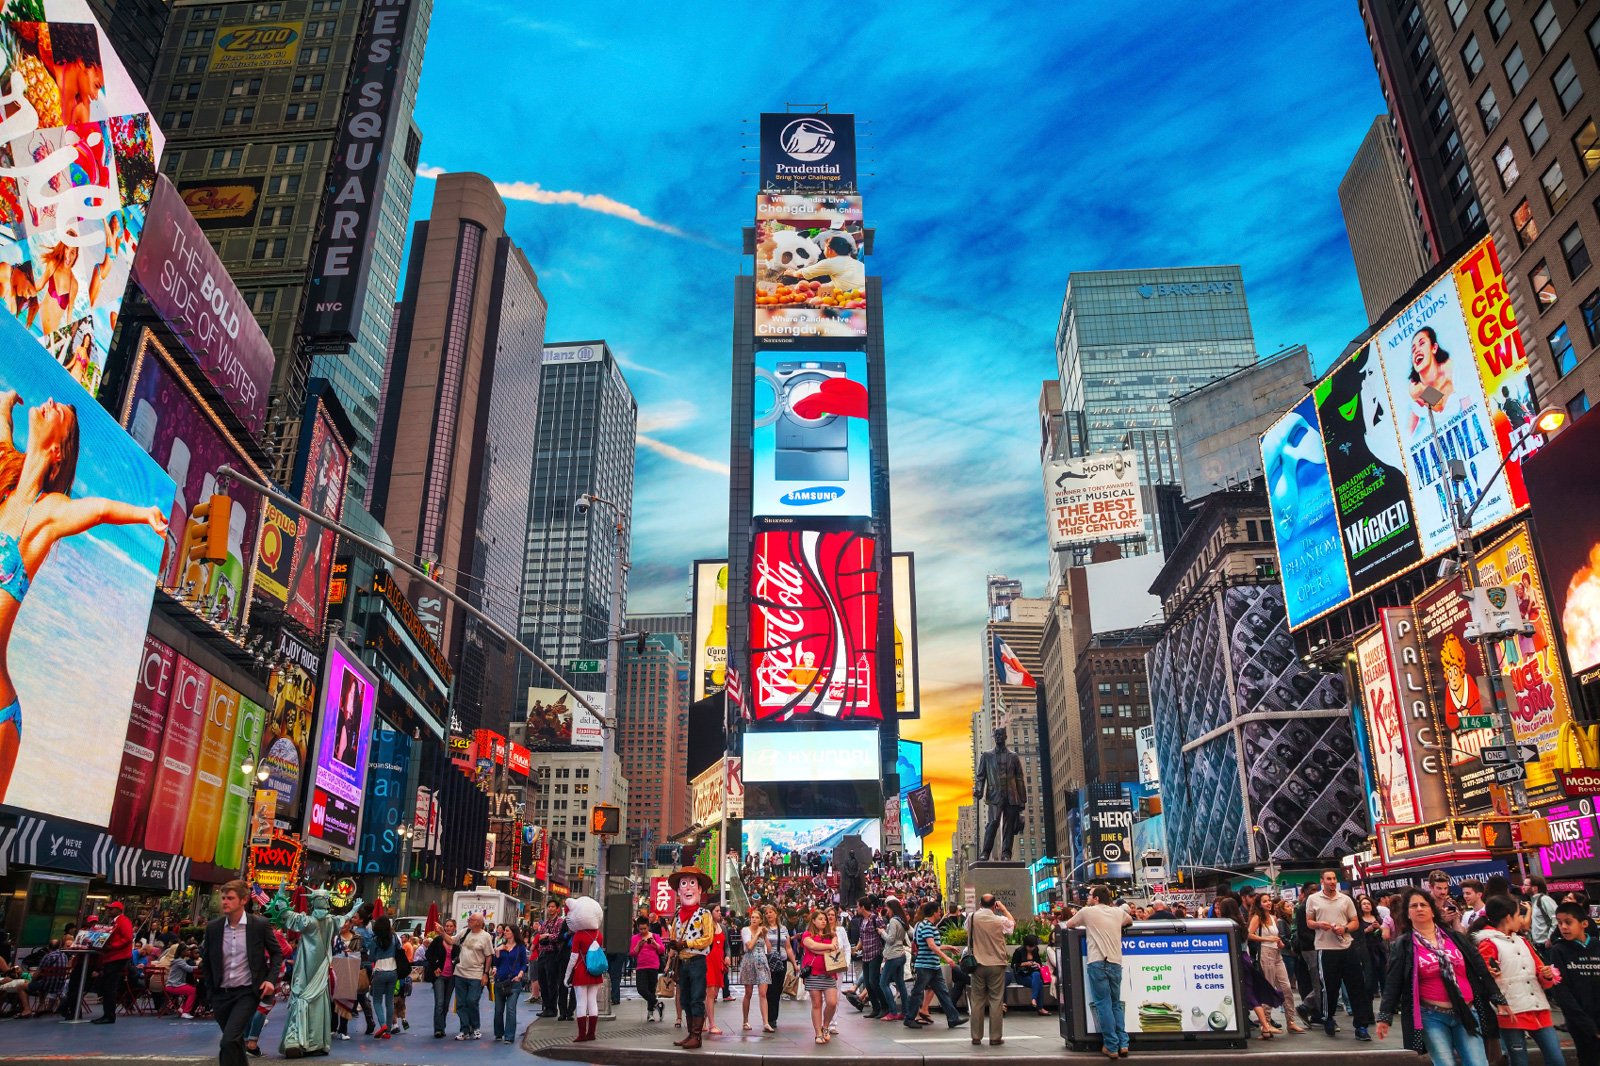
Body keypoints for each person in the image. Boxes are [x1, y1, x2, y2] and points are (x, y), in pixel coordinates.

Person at [0, 393, 167, 800]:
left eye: (63, 415)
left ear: (58, 451)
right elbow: (2, 432)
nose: (52, 400)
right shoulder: (4, 486)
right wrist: (5, 405)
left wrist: (143, 513)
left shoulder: (50, 511)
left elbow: (98, 509)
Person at [1377, 888, 1509, 1066]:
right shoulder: (1403, 944)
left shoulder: (1455, 938)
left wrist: (1497, 997)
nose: (1419, 908)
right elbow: (1393, 982)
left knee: (1478, 1063)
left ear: (1432, 910)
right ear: (1407, 914)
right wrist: (1384, 1016)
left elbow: (1480, 968)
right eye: (1413, 906)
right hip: (1431, 1017)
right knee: (1445, 1063)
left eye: (1423, 904)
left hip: (1466, 1012)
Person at [1471, 895, 1563, 1066]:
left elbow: (1540, 971)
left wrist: (1547, 975)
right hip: (1511, 1012)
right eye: (1519, 915)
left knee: (1556, 1058)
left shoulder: (1522, 941)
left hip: (1538, 1008)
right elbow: (1485, 980)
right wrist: (1490, 973)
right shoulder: (1488, 944)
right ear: (1508, 917)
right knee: (1519, 1061)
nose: (1522, 920)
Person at [203, 881, 284, 1066]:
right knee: (235, 1041)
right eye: (223, 898)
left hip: (246, 993)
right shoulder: (213, 927)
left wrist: (271, 980)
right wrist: (210, 991)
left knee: (228, 1040)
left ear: (244, 900)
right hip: (220, 994)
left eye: (230, 898)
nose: (225, 902)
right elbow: (206, 959)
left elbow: (277, 953)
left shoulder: (259, 925)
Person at [1067, 885, 1131, 1059]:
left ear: (1095, 899)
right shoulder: (1118, 912)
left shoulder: (1088, 912)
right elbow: (1129, 920)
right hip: (1115, 963)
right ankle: (1123, 1043)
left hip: (1097, 962)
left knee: (1103, 1004)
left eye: (1089, 895)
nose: (1087, 897)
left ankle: (1111, 1046)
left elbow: (1069, 924)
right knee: (1116, 1003)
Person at [1308, 869, 1372, 1040]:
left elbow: (1355, 922)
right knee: (1329, 988)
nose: (1332, 881)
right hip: (1325, 948)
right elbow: (1309, 922)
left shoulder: (1345, 899)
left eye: (1334, 878)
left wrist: (1344, 929)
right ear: (1322, 880)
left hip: (1347, 946)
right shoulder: (1313, 899)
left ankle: (1361, 1026)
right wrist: (1319, 924)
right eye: (1328, 878)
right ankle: (1328, 1018)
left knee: (1357, 986)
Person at [1219, 896, 1284, 1038]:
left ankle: (1265, 1026)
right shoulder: (1240, 923)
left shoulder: (1227, 924)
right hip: (1244, 958)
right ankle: (1265, 1027)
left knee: (1249, 994)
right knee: (1250, 991)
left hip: (1236, 960)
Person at [668, 865, 716, 1050]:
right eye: (684, 884)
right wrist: (673, 944)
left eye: (692, 883)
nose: (688, 888)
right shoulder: (678, 914)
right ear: (679, 889)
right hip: (682, 962)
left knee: (697, 998)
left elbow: (707, 938)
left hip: (697, 961)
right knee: (685, 999)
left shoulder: (704, 914)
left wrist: (686, 944)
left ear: (699, 889)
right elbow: (674, 934)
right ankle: (690, 1034)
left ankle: (697, 1035)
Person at [1548, 902, 1600, 1066]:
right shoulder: (1558, 950)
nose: (1563, 927)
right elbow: (1562, 991)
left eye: (1568, 922)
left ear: (1584, 923)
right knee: (1588, 1059)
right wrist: (1587, 1024)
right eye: (1559, 922)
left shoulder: (1597, 945)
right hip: (1579, 1021)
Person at [904, 900, 965, 1031]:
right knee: (918, 992)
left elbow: (931, 945)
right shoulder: (926, 926)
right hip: (925, 965)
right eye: (938, 911)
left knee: (942, 992)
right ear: (933, 912)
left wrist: (947, 947)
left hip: (932, 965)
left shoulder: (928, 926)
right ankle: (909, 1019)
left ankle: (953, 1018)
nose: (940, 913)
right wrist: (947, 958)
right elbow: (931, 945)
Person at [1250, 893, 1305, 1032]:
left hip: (1277, 954)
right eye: (1264, 901)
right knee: (1268, 987)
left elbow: (1276, 936)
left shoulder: (1273, 918)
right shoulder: (1258, 918)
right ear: (1259, 904)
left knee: (1286, 987)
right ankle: (1266, 1024)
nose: (1268, 903)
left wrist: (1279, 942)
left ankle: (1291, 1021)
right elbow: (1249, 934)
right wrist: (1268, 940)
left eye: (1269, 901)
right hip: (1265, 954)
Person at [969, 894, 1015, 1047]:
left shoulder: (972, 917)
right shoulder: (999, 920)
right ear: (994, 905)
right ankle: (995, 1037)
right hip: (996, 963)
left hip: (977, 963)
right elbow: (1012, 926)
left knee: (977, 1000)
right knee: (996, 1000)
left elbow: (967, 929)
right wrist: (1004, 909)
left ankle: (976, 1036)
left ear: (980, 904)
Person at [799, 909, 840, 1044]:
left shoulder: (832, 934)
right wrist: (827, 948)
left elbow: (834, 947)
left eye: (825, 919)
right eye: (821, 919)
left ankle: (826, 1026)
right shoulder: (807, 934)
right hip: (813, 973)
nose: (824, 921)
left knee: (832, 1003)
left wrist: (820, 948)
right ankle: (818, 1033)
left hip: (829, 973)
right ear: (814, 921)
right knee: (816, 1004)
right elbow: (811, 945)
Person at [449, 913, 494, 1041]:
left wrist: (485, 974)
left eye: (472, 919)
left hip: (476, 974)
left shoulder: (485, 937)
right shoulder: (464, 932)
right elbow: (452, 940)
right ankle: (464, 1029)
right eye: (469, 919)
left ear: (479, 923)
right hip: (460, 973)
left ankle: (475, 1027)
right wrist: (442, 932)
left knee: (472, 1001)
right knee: (461, 1004)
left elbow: (489, 955)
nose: (469, 920)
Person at [89, 900, 134, 1023]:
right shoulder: (115, 922)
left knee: (110, 986)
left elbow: (128, 938)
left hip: (117, 957)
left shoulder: (123, 921)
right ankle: (107, 1014)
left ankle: (109, 1015)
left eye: (111, 909)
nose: (108, 910)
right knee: (108, 986)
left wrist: (111, 946)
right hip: (112, 956)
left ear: (119, 910)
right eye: (108, 908)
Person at [1294, 882, 1325, 1026]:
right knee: (1318, 982)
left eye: (1316, 890)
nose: (1315, 892)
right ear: (1305, 892)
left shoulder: (1317, 906)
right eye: (1312, 890)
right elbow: (1303, 933)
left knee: (1323, 982)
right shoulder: (1302, 909)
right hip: (1310, 949)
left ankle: (1308, 1007)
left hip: (1320, 947)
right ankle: (1317, 1013)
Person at [368, 916, 404, 1039]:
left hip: (380, 972)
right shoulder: (394, 938)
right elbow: (400, 949)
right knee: (389, 1001)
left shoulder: (375, 941)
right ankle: (388, 1030)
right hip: (393, 972)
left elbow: (371, 957)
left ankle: (382, 1024)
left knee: (377, 1000)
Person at [492, 924, 528, 1044]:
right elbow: (496, 962)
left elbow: (524, 963)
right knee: (498, 1010)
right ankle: (498, 1033)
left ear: (513, 932)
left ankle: (509, 1036)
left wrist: (520, 974)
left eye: (507, 930)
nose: (504, 932)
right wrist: (497, 951)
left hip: (514, 982)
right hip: (500, 981)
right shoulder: (500, 946)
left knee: (511, 1009)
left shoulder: (520, 948)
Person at [738, 907, 772, 1033]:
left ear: (761, 920)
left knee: (763, 993)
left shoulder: (762, 932)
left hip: (762, 961)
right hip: (749, 961)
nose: (754, 919)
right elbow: (750, 946)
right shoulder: (746, 930)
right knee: (748, 992)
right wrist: (757, 934)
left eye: (757, 917)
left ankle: (766, 1022)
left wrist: (765, 936)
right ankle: (745, 1020)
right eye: (752, 917)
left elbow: (769, 949)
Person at [877, 896, 910, 1023]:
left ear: (891, 908)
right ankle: (905, 1011)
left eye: (887, 908)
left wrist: (881, 932)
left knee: (883, 983)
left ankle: (892, 1011)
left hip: (893, 956)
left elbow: (890, 939)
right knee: (900, 984)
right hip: (901, 954)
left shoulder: (893, 922)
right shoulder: (902, 921)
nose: (886, 910)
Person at [423, 920, 458, 1039]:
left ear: (455, 928)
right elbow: (428, 955)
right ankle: (438, 1029)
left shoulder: (456, 942)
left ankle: (442, 1026)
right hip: (439, 975)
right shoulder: (438, 940)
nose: (448, 928)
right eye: (447, 926)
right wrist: (434, 967)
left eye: (451, 926)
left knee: (446, 1003)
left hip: (452, 976)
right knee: (439, 1002)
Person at [852, 897, 885, 1019]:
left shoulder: (875, 918)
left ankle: (884, 1006)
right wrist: (856, 949)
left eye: (857, 906)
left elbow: (884, 933)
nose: (857, 909)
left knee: (873, 981)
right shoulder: (862, 920)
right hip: (865, 954)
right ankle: (875, 1008)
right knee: (868, 983)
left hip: (875, 953)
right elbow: (862, 938)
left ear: (862, 907)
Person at [760, 904, 792, 1029]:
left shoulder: (783, 928)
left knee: (778, 989)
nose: (768, 914)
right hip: (768, 961)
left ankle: (774, 1016)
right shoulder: (763, 929)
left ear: (776, 913)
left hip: (781, 960)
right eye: (766, 913)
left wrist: (794, 963)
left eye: (770, 912)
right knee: (770, 990)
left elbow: (788, 947)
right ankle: (770, 1018)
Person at [534, 901, 567, 1020]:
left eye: (553, 907)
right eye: (549, 907)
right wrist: (542, 937)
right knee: (542, 981)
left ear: (558, 909)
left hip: (553, 953)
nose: (550, 909)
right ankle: (546, 1007)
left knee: (551, 981)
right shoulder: (545, 922)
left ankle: (552, 1008)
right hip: (543, 953)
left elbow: (559, 936)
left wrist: (547, 936)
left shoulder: (560, 922)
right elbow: (539, 936)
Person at [631, 917, 666, 1023]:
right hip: (641, 966)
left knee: (651, 989)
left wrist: (654, 944)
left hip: (653, 966)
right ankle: (657, 1004)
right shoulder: (635, 938)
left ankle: (650, 1013)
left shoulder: (655, 936)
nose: (642, 931)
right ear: (638, 928)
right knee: (641, 989)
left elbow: (662, 950)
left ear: (648, 927)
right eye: (640, 929)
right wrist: (638, 945)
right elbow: (633, 953)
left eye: (644, 929)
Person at [703, 904, 726, 1036]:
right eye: (716, 911)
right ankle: (712, 1024)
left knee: (714, 993)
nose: (719, 913)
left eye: (719, 911)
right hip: (708, 961)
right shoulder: (707, 927)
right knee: (710, 992)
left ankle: (703, 1021)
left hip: (718, 962)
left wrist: (726, 957)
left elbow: (725, 945)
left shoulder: (721, 927)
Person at [165, 946, 200, 1017]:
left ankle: (182, 1008)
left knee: (190, 989)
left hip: (176, 984)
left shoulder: (180, 960)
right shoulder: (179, 961)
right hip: (173, 985)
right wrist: (200, 967)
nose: (189, 952)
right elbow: (189, 969)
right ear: (182, 952)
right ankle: (186, 1012)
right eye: (187, 951)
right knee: (193, 991)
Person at [1525, 877, 1558, 952]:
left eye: (1526, 885)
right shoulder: (1534, 902)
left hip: (1547, 945)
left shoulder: (1544, 899)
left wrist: (1550, 938)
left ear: (1534, 888)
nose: (1523, 887)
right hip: (1538, 946)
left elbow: (1556, 920)